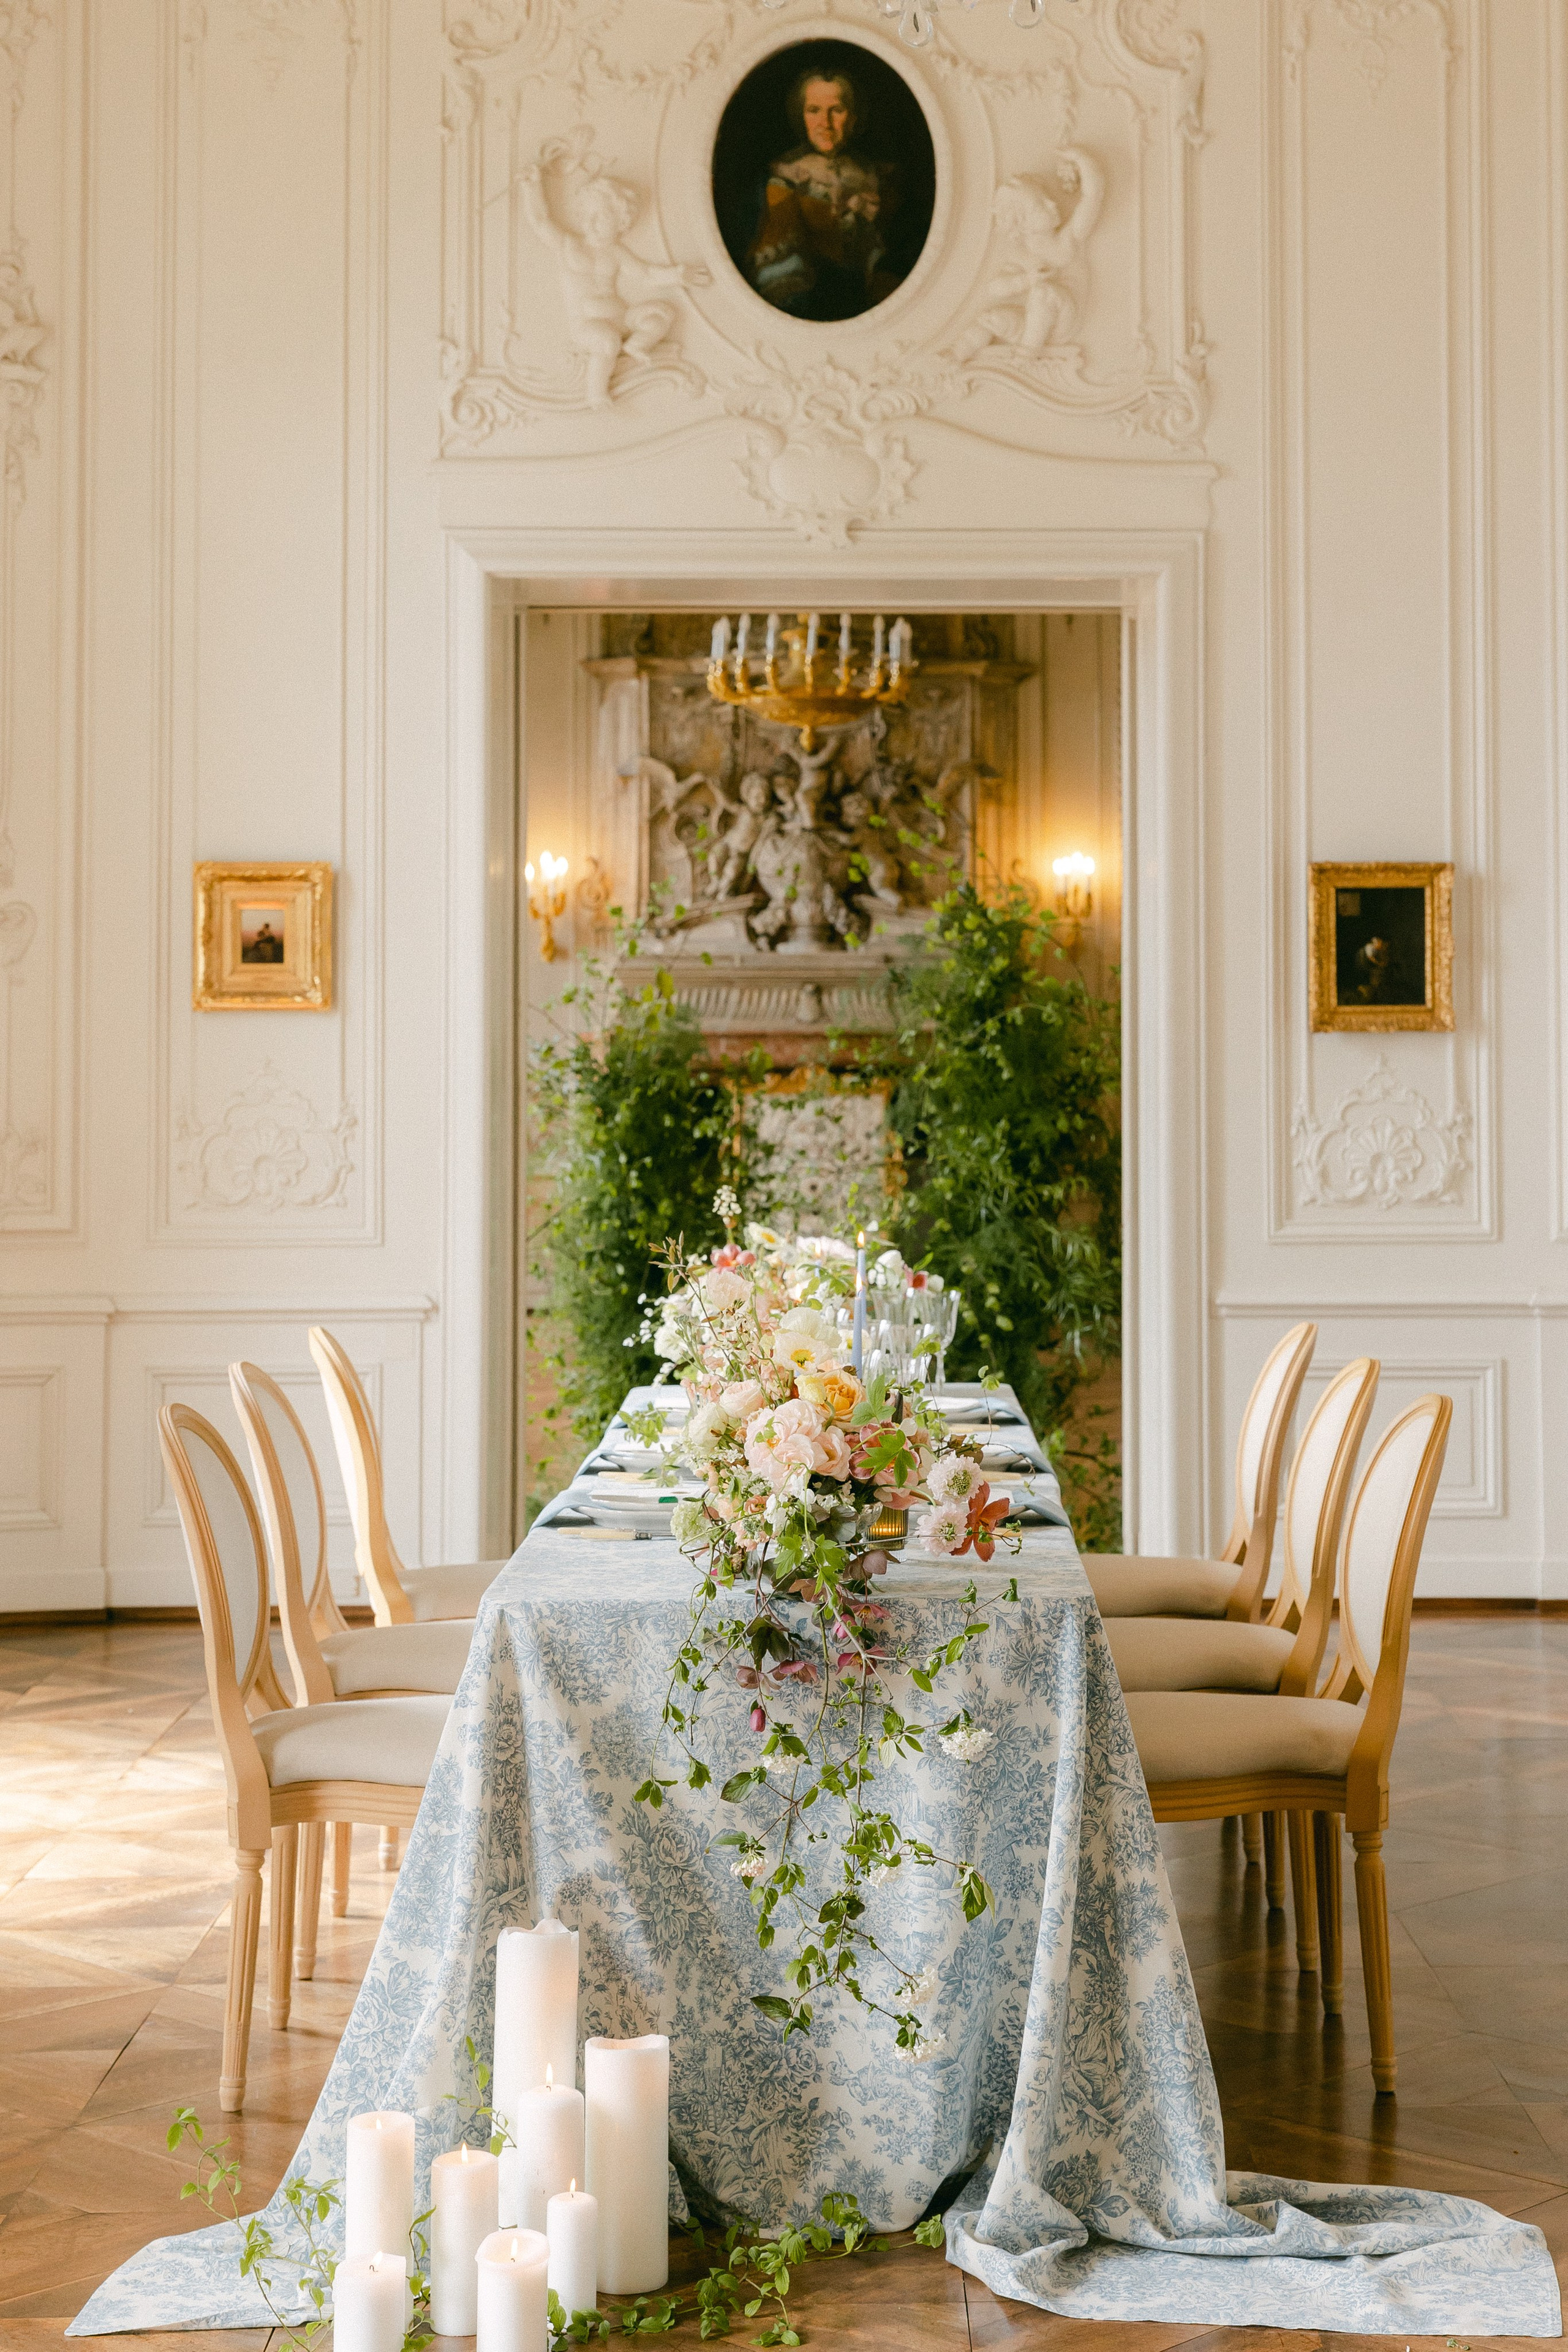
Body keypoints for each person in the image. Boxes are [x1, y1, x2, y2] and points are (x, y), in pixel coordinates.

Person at [747, 67, 899, 321]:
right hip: (808, 301)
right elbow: (780, 263)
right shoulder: (786, 177)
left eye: (837, 111)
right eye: (814, 110)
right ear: (802, 116)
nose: (825, 124)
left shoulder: (874, 176)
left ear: (852, 118)